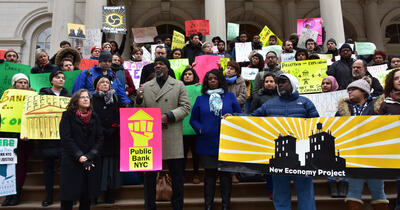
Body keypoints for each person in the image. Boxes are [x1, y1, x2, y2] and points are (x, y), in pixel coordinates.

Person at [225, 73, 319, 210]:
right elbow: (252, 118)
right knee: (280, 191)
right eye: (278, 82)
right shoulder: (269, 104)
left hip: (302, 155)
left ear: (292, 84)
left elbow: (317, 125)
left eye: (283, 82)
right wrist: (233, 117)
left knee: (305, 190)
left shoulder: (305, 103)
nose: (280, 84)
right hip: (278, 155)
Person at [136, 56, 191, 210]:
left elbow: (186, 107)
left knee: (177, 176)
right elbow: (138, 111)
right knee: (149, 178)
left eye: (161, 64)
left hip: (172, 134)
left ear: (168, 68)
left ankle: (178, 205)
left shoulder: (178, 85)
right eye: (156, 64)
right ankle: (150, 206)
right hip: (150, 137)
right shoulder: (146, 87)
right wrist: (139, 99)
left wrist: (169, 116)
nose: (157, 66)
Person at [190, 69, 241, 210]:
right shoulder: (201, 99)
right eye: (209, 79)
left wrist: (233, 116)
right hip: (207, 142)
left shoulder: (230, 96)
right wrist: (200, 129)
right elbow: (193, 120)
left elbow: (239, 115)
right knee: (209, 176)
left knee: (225, 175)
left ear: (220, 80)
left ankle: (226, 205)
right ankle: (208, 205)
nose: (212, 81)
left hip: (226, 142)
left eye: (215, 78)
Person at [335, 78, 388, 210]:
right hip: (354, 156)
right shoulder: (343, 110)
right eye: (348, 90)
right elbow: (336, 129)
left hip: (374, 156)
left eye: (353, 89)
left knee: (378, 191)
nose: (349, 92)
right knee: (353, 191)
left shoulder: (378, 107)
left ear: (364, 91)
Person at [59, 89, 103, 210]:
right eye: (82, 97)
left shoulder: (95, 116)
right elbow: (66, 138)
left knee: (87, 197)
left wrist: (89, 156)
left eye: (88, 97)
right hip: (72, 160)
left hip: (90, 161)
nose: (85, 99)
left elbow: (100, 138)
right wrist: (80, 156)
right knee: (68, 197)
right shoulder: (67, 115)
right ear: (76, 100)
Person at [35, 71, 71, 207]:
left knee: (65, 170)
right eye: (58, 77)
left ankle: (66, 196)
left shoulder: (68, 96)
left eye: (63, 78)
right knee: (48, 169)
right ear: (52, 80)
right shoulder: (42, 96)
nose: (61, 80)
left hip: (63, 139)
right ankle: (49, 196)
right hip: (47, 138)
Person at [0, 74, 35, 207]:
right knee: (8, 165)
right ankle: (8, 195)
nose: (23, 85)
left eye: (25, 82)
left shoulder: (33, 97)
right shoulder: (7, 96)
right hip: (7, 134)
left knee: (20, 166)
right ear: (14, 84)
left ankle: (16, 194)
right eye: (20, 82)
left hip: (25, 137)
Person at [92, 76, 123, 204]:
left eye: (107, 82)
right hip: (97, 138)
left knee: (111, 168)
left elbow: (121, 115)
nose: (105, 84)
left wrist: (114, 128)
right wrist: (101, 130)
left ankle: (109, 193)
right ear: (97, 86)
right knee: (97, 168)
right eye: (102, 82)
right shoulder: (92, 99)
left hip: (113, 138)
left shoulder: (116, 98)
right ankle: (94, 194)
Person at [378, 68, 400, 210]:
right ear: (391, 83)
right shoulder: (386, 104)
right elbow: (380, 126)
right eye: (397, 78)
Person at [180, 67, 201, 184]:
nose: (187, 76)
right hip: (182, 126)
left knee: (195, 152)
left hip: (195, 126)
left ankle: (196, 174)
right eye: (185, 74)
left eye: (190, 74)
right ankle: (182, 174)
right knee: (182, 153)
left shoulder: (200, 88)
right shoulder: (177, 88)